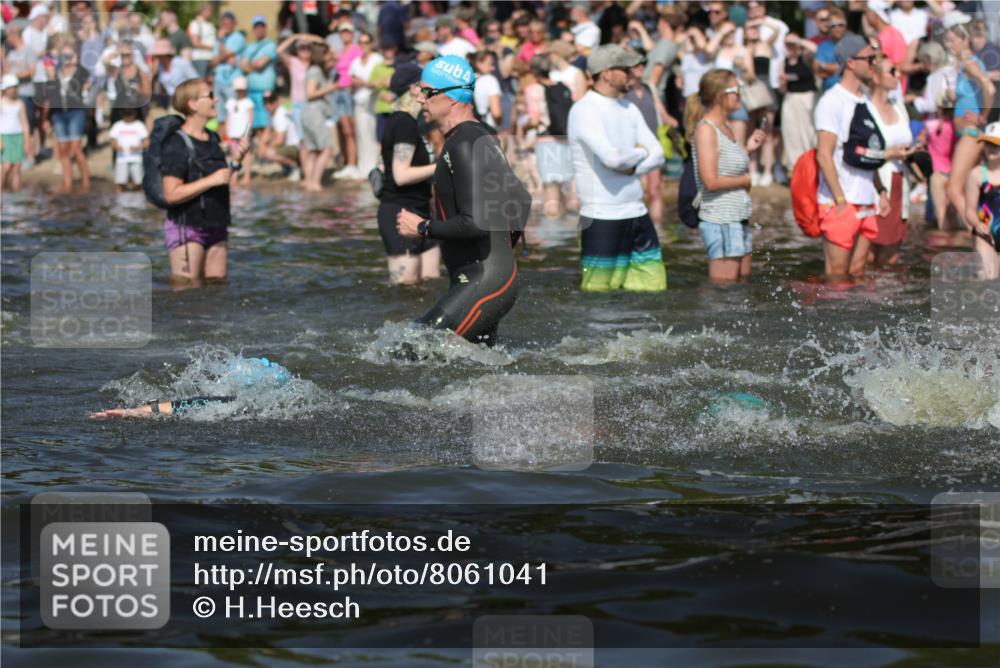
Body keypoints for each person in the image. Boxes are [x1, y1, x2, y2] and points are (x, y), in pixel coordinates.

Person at [396, 56, 530, 345]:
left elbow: (476, 223)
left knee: (409, 351)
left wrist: (422, 227)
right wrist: (502, 250)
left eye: (426, 91)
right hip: (486, 278)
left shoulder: (464, 144)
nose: (420, 99)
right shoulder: (480, 135)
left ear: (451, 97)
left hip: (485, 281)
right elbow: (522, 200)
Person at [813, 35, 915, 280]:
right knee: (837, 276)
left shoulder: (866, 101)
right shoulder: (832, 101)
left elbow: (870, 150)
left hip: (867, 199)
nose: (874, 64)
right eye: (870, 58)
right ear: (850, 62)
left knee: (858, 274)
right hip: (840, 200)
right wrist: (839, 200)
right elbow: (824, 155)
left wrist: (880, 190)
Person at [567, 44, 666, 292]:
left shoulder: (629, 108)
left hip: (637, 212)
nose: (632, 74)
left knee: (653, 290)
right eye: (625, 69)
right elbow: (612, 159)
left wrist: (633, 164)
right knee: (598, 297)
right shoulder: (584, 110)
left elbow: (658, 154)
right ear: (607, 73)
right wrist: (641, 153)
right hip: (601, 216)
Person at [161, 78, 250, 285]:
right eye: (210, 96)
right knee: (187, 290)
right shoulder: (176, 142)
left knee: (216, 289)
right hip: (187, 227)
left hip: (217, 224)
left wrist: (237, 160)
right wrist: (211, 180)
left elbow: (222, 177)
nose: (215, 99)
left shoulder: (213, 137)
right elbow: (171, 194)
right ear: (193, 104)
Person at [687, 68, 765, 282]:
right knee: (724, 292)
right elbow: (710, 181)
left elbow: (724, 165)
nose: (740, 94)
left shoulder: (726, 127)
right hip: (720, 220)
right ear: (721, 96)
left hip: (738, 216)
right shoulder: (706, 129)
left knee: (743, 283)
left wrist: (747, 150)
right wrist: (746, 180)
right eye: (736, 89)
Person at [378, 63, 441, 284]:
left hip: (422, 211)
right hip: (400, 214)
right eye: (426, 87)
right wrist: (443, 166)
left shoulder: (412, 124)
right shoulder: (403, 122)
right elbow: (400, 175)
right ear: (414, 89)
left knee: (431, 286)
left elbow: (381, 167)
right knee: (405, 292)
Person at [92, 357, 290, 419]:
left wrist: (135, 411)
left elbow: (192, 403)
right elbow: (196, 402)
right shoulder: (288, 403)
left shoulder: (234, 402)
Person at [945, 21, 995, 220]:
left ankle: (981, 235)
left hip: (971, 133)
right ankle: (981, 236)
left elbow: (989, 88)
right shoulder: (965, 65)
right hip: (969, 133)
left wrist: (983, 115)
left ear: (964, 40)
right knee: (971, 190)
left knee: (953, 191)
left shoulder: (970, 63)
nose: (948, 45)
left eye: (951, 41)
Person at [868, 58, 915, 267]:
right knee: (869, 252)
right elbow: (859, 150)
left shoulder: (899, 106)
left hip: (900, 180)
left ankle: (890, 295)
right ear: (876, 77)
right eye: (892, 71)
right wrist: (890, 154)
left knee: (893, 254)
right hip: (874, 182)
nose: (898, 74)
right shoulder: (866, 108)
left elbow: (906, 140)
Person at [625, 58, 675, 230]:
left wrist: (670, 121)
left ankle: (657, 229)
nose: (640, 67)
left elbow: (661, 111)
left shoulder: (649, 87)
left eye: (642, 64)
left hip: (652, 144)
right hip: (634, 147)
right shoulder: (624, 91)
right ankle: (639, 226)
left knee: (655, 189)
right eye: (636, 64)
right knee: (641, 190)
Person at [42, 41, 91, 193]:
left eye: (70, 54)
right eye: (64, 55)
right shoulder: (56, 72)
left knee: (76, 148)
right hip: (58, 113)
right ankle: (68, 183)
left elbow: (90, 83)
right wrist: (45, 118)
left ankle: (86, 182)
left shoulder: (81, 71)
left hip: (76, 112)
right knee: (63, 150)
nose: (67, 58)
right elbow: (49, 96)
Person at [964, 122, 1000, 279]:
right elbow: (969, 210)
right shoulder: (977, 174)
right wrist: (977, 224)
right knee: (987, 278)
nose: (991, 148)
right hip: (985, 234)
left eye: (995, 144)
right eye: (987, 144)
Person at [301, 44, 337, 191]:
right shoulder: (315, 71)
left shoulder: (316, 70)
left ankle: (309, 182)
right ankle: (315, 182)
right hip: (314, 112)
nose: (330, 56)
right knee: (326, 148)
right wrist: (330, 87)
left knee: (314, 150)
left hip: (308, 113)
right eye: (327, 54)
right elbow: (310, 93)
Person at [780, 33, 818, 172]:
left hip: (807, 98)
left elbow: (815, 49)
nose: (790, 47)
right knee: (791, 133)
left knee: (807, 132)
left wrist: (799, 41)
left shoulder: (806, 58)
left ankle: (810, 165)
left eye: (792, 44)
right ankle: (795, 167)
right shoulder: (783, 62)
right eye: (787, 44)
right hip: (791, 99)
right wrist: (783, 81)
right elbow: (782, 88)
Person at [350, 31, 383, 178]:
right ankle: (363, 168)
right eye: (361, 42)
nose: (364, 45)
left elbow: (378, 82)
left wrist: (362, 82)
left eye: (366, 42)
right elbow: (352, 83)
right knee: (362, 135)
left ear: (371, 44)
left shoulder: (377, 59)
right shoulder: (356, 61)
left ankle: (374, 168)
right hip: (359, 101)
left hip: (374, 102)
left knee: (373, 135)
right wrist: (362, 83)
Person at [331, 23, 360, 179]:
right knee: (344, 130)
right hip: (340, 92)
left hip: (349, 92)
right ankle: (348, 163)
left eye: (348, 31)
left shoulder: (356, 50)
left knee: (350, 131)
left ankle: (353, 163)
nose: (345, 34)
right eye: (343, 32)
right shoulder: (341, 52)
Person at [241, 16, 278, 136]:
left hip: (265, 90)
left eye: (262, 26)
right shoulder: (249, 47)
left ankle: (265, 148)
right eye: (257, 27)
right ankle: (259, 148)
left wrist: (250, 65)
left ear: (266, 28)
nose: (259, 29)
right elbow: (243, 65)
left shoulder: (270, 45)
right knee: (254, 123)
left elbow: (260, 64)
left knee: (266, 123)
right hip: (252, 90)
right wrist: (253, 66)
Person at [211, 11, 246, 123]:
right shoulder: (218, 40)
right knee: (220, 115)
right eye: (224, 24)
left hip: (232, 81)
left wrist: (221, 42)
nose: (226, 27)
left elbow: (224, 55)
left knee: (233, 113)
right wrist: (224, 57)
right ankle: (222, 139)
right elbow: (214, 61)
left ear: (234, 23)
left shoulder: (238, 37)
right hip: (218, 80)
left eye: (228, 23)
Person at [258, 91, 301, 179]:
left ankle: (294, 167)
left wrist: (265, 148)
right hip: (290, 146)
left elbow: (280, 140)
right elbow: (267, 131)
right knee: (265, 149)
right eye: (265, 103)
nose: (268, 105)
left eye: (271, 102)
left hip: (295, 146)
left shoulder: (280, 115)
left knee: (269, 153)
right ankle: (287, 168)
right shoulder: (273, 114)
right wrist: (261, 145)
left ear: (276, 101)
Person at [1, 74, 31, 192]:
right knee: (7, 166)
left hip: (18, 136)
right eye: (11, 88)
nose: (13, 90)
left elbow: (24, 123)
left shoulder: (20, 103)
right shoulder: (1, 102)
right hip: (5, 136)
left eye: (14, 87)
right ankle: (2, 191)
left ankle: (16, 194)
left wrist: (27, 141)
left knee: (17, 167)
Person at [109, 106, 148, 192]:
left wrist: (137, 147)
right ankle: (120, 203)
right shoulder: (117, 125)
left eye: (130, 114)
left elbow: (146, 142)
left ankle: (138, 202)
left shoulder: (139, 125)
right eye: (126, 114)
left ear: (135, 114)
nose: (128, 116)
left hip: (137, 159)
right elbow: (113, 141)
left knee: (139, 183)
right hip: (122, 159)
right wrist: (117, 147)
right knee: (120, 183)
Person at [150, 38, 198, 106]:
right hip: (171, 100)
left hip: (186, 99)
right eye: (157, 55)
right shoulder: (160, 67)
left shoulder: (181, 63)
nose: (157, 57)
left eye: (159, 55)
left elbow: (195, 80)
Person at [225, 77, 254, 186]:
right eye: (238, 90)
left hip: (243, 134)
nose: (240, 92)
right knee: (234, 155)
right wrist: (227, 131)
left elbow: (250, 119)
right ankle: (234, 176)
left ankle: (247, 176)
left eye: (242, 90)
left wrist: (246, 134)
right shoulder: (231, 102)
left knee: (246, 155)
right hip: (233, 133)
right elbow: (228, 117)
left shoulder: (248, 102)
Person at [815, 7, 849, 92]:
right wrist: (841, 69)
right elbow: (818, 71)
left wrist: (825, 66)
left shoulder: (854, 44)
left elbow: (852, 70)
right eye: (833, 25)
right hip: (829, 92)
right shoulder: (823, 46)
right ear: (829, 27)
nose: (837, 28)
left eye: (841, 25)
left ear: (846, 26)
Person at [473, 51, 503, 129]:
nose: (493, 68)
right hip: (487, 128)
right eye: (490, 64)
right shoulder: (490, 80)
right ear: (479, 63)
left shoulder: (468, 80)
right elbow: (496, 113)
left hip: (470, 127)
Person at [187, 3, 217, 77]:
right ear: (202, 11)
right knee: (200, 83)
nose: (211, 13)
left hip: (210, 58)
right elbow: (195, 42)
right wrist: (212, 47)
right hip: (200, 58)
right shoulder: (196, 24)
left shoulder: (210, 24)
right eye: (209, 10)